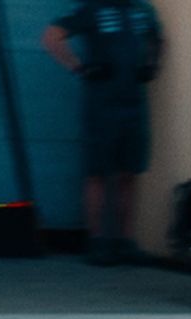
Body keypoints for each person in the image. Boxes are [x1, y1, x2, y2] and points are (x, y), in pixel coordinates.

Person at [44, 0, 164, 266]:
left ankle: (125, 241)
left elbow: (158, 38)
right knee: (97, 173)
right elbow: (51, 37)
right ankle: (97, 241)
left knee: (128, 174)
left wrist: (152, 64)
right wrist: (80, 67)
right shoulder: (93, 9)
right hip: (101, 105)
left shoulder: (142, 10)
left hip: (134, 104)